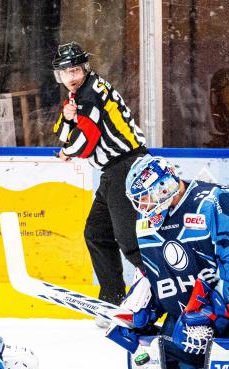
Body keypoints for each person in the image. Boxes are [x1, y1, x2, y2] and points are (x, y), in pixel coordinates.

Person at [106, 155, 229, 369]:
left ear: (165, 186)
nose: (142, 206)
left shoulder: (219, 202)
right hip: (189, 316)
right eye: (138, 200)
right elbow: (155, 272)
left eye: (146, 197)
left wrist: (210, 314)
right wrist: (140, 308)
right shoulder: (147, 219)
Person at [52, 42, 147, 308]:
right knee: (97, 233)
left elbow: (86, 141)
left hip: (126, 167)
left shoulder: (90, 93)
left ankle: (168, 294)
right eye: (65, 72)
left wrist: (66, 152)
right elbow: (61, 132)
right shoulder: (79, 94)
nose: (70, 77)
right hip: (113, 171)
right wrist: (67, 118)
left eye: (75, 70)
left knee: (129, 241)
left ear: (85, 69)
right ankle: (112, 300)